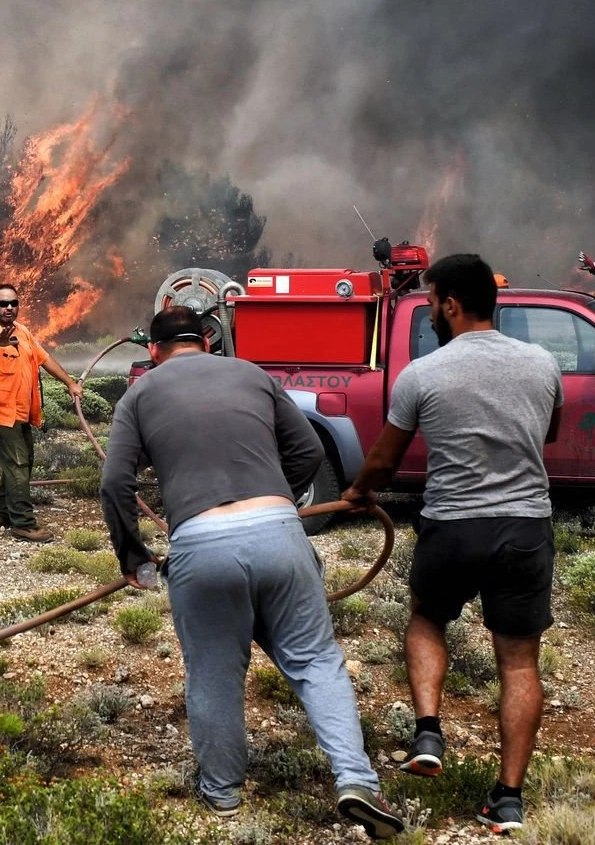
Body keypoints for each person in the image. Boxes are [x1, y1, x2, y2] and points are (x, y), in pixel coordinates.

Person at [101, 306, 404, 838]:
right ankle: (357, 779)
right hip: (280, 534)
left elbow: (114, 484)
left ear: (153, 350)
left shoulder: (140, 394)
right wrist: (278, 500)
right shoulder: (252, 373)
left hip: (200, 544)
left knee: (216, 673)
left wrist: (136, 560)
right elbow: (308, 450)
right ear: (209, 342)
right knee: (316, 661)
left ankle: (222, 795)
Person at [343, 254, 562, 835]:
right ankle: (507, 799)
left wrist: (359, 491)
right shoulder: (541, 364)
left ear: (452, 304)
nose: (431, 312)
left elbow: (385, 461)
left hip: (453, 526)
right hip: (523, 528)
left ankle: (428, 731)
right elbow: (550, 431)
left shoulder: (423, 373)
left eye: (433, 300)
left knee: (426, 620)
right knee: (518, 661)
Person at [0, 283, 82, 543]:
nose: (9, 307)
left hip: (20, 413)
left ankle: (2, 511)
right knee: (19, 463)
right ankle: (23, 523)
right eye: (3, 303)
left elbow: (45, 359)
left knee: (20, 462)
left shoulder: (23, 332)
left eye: (13, 303)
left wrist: (69, 383)